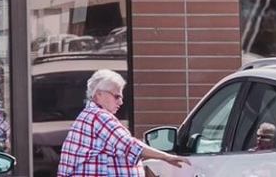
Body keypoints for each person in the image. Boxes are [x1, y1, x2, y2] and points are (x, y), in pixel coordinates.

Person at [57, 70, 189, 177]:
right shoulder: (99, 116)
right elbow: (129, 145)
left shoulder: (90, 115)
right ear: (99, 94)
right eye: (116, 96)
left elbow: (119, 149)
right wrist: (166, 157)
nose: (120, 102)